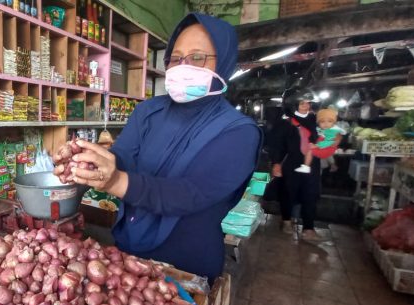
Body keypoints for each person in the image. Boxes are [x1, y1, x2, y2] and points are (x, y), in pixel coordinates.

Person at [53, 13, 261, 281]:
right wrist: (87, 162)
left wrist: (116, 181)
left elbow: (190, 194)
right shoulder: (148, 111)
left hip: (187, 263)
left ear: (224, 63)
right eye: (176, 58)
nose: (182, 65)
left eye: (197, 57)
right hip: (128, 248)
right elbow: (122, 157)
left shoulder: (239, 132)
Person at [269, 90, 324, 241]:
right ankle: (286, 221)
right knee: (288, 192)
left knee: (310, 194)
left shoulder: (315, 120)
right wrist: (276, 164)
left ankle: (309, 228)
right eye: (302, 103)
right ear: (293, 105)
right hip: (290, 164)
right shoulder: (284, 123)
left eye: (308, 103)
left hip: (312, 164)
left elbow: (325, 135)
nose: (306, 106)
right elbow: (276, 146)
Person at [295, 108, 344, 174]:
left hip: (325, 149)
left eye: (329, 121)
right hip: (323, 149)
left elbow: (329, 142)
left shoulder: (332, 131)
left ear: (334, 123)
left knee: (310, 150)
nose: (326, 124)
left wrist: (316, 145)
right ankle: (306, 166)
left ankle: (306, 167)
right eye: (322, 122)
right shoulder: (322, 129)